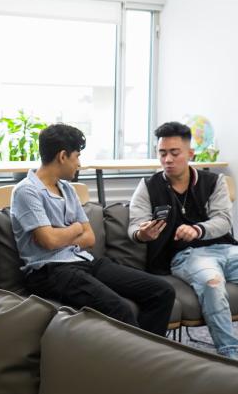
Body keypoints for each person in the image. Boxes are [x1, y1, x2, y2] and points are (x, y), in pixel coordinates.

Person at [128, 121, 238, 358]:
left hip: (228, 250)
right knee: (212, 283)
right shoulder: (148, 186)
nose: (167, 159)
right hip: (186, 256)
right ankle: (231, 354)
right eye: (162, 153)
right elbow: (135, 225)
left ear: (190, 154)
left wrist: (198, 230)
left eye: (174, 153)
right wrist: (143, 233)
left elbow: (223, 220)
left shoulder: (214, 182)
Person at [11, 124, 175, 336]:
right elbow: (49, 241)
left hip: (83, 261)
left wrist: (64, 234)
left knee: (162, 291)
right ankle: (137, 364)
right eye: (77, 156)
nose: (79, 164)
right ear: (62, 156)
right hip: (49, 272)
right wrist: (75, 228)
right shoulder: (27, 191)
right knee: (119, 309)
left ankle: (148, 357)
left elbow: (89, 238)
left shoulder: (68, 189)